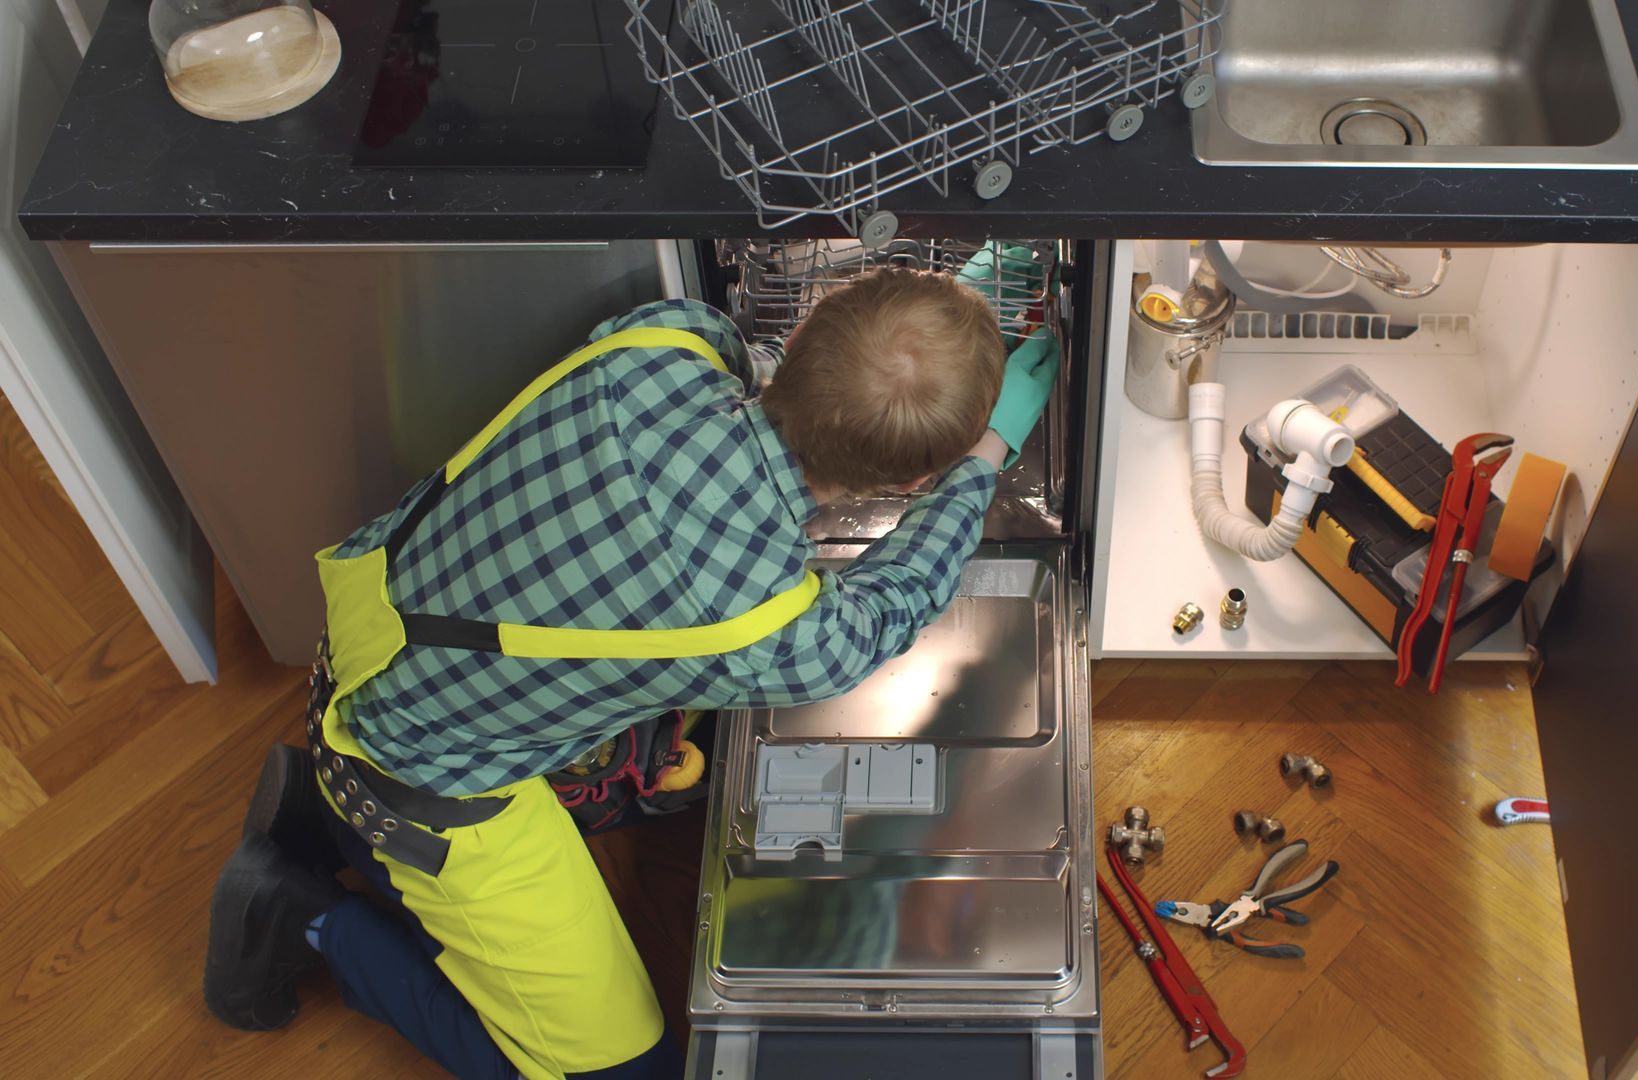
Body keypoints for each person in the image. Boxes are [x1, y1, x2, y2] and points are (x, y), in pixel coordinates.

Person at [200, 258, 1061, 1079]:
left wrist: (914, 344)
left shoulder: (665, 343)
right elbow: (897, 599)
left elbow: (788, 376)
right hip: (425, 782)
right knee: (621, 1075)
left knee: (663, 759)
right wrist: (984, 456)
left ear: (801, 336)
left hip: (364, 641)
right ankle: (300, 913)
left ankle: (315, 803)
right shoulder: (764, 629)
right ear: (915, 479)